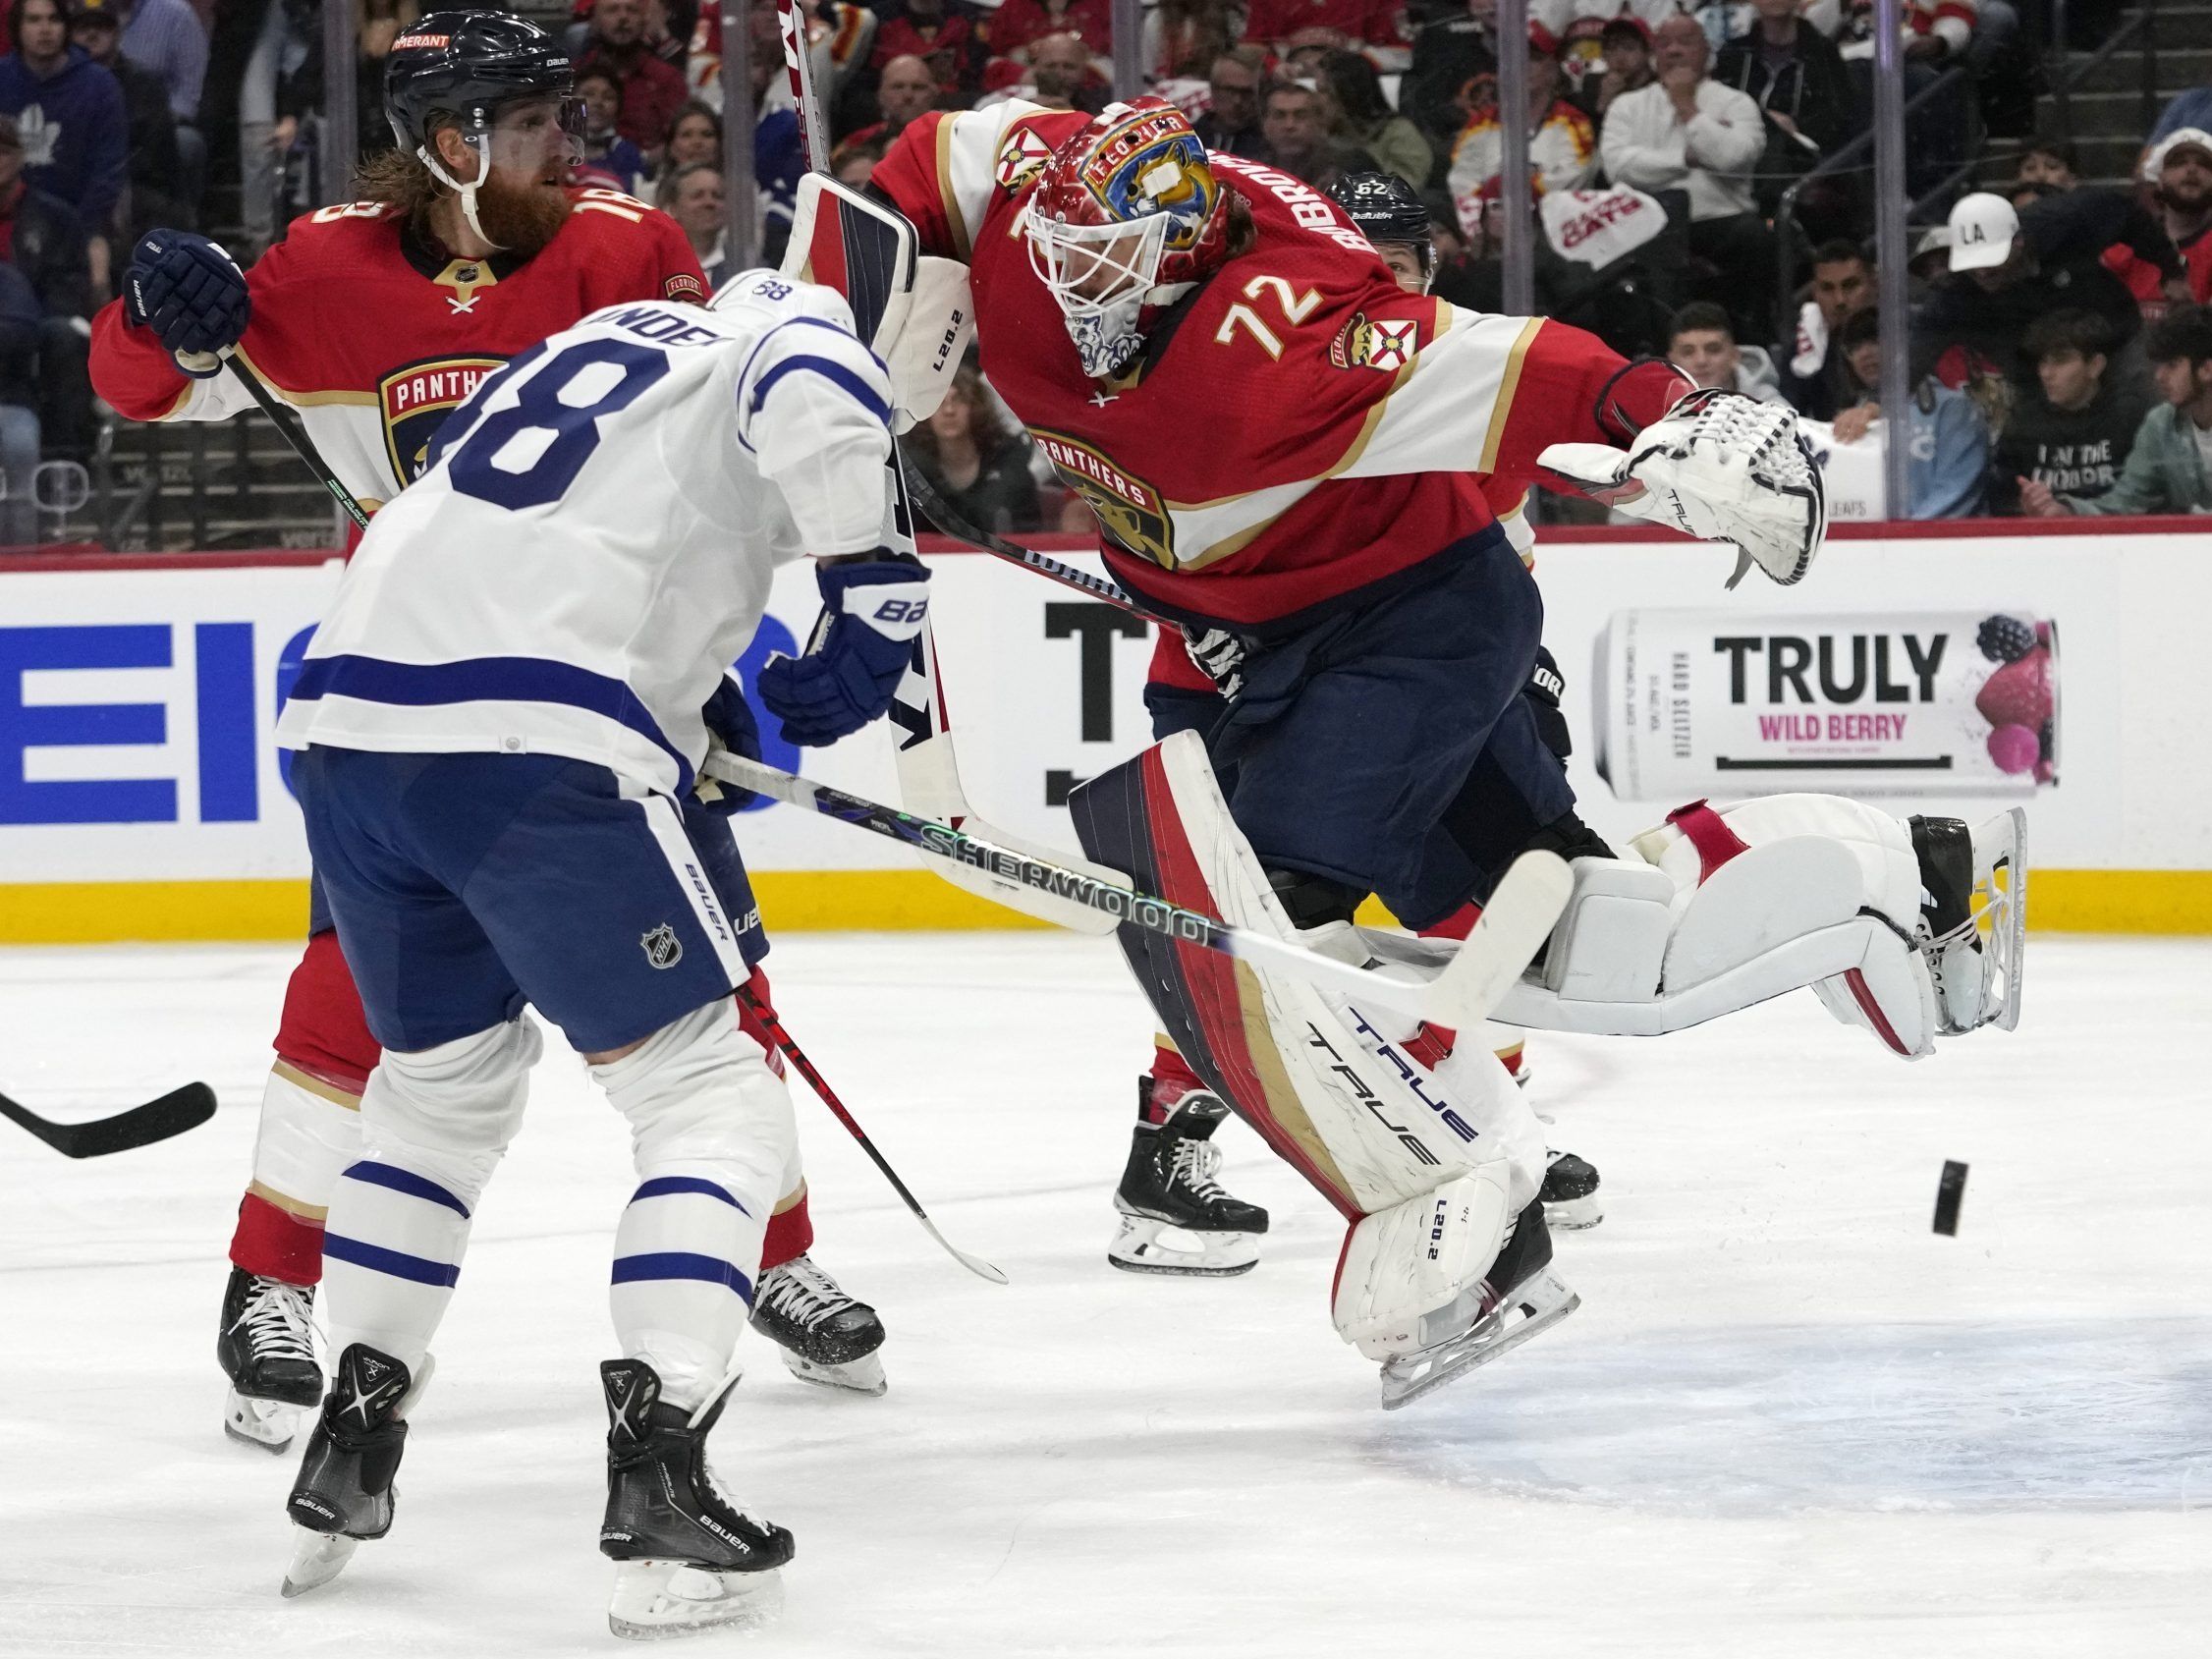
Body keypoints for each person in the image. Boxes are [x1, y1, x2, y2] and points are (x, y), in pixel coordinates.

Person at [866, 97, 1825, 1390]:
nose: (1072, 282)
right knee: (1525, 905)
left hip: (1407, 639)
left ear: (1192, 248)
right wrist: (845, 324)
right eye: (1067, 248)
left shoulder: (1308, 330)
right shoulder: (1049, 222)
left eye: (1107, 258)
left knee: (1261, 942)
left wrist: (1678, 415)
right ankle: (1893, 880)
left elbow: (1533, 364)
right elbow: (934, 152)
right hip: (1267, 644)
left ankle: (1477, 1226)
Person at [87, 9, 890, 1457]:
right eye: (533, 128)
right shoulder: (318, 269)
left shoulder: (627, 247)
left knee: (721, 982)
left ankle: (770, 1253)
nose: (568, 151)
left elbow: (727, 423)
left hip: (611, 672)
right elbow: (129, 392)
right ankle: (268, 1286)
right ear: (446, 141)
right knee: (350, 996)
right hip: (409, 676)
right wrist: (153, 312)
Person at [271, 270, 920, 1635]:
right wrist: (874, 586)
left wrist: (679, 695)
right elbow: (820, 385)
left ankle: (357, 1420)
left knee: (438, 1096)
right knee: (707, 1093)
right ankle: (662, 1466)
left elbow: (517, 530)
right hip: (531, 748)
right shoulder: (775, 326)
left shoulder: (584, 347)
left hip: (352, 736)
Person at [1598, 12, 1772, 339]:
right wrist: (1684, 157)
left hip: (1719, 221)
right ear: (1654, 53)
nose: (1674, 51)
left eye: (1686, 42)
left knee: (1755, 236)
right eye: (1664, 43)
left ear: (1706, 50)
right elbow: (1617, 166)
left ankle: (1751, 343)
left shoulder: (1736, 102)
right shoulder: (1627, 106)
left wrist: (1687, 108)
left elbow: (1734, 157)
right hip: (1649, 224)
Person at [1920, 190, 2185, 394]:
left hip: (2115, 333)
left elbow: (2129, 214)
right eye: (1973, 265)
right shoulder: (1957, 288)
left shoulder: (2065, 219)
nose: (1983, 273)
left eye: (1992, 260)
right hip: (2035, 364)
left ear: (2019, 242)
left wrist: (2170, 268)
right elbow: (1924, 334)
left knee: (2141, 399)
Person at [2020, 305, 2212, 518]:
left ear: (2207, 369)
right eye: (2160, 365)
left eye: (2172, 365)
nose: (2159, 376)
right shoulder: (2160, 423)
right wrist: (2064, 511)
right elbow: (2125, 502)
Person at [0, 0, 127, 291]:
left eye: (54, 20)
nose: (44, 29)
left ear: (66, 27)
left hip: (82, 220)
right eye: (33, 20)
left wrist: (81, 226)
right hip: (9, 214)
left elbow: (108, 172)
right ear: (17, 28)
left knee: (96, 281)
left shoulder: (100, 86)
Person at [1830, 306, 1990, 519]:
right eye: (1855, 346)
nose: (1865, 353)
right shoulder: (1851, 416)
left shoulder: (1953, 408)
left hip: (1940, 545)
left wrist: (1902, 538)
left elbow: (1955, 490)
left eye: (1876, 340)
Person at [0, 108, 93, 465]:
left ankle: (65, 459)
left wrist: (21, 322)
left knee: (63, 335)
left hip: (35, 323)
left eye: (4, 151)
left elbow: (71, 284)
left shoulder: (56, 217)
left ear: (22, 156)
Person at [1991, 308, 2148, 515]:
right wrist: (2025, 507)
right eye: (2043, 361)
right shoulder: (2024, 422)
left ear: (2095, 366)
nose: (2046, 373)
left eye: (2060, 361)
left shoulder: (2130, 416)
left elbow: (2141, 497)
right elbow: (2000, 499)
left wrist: (2069, 511)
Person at [1447, 23, 1595, 234]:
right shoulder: (1479, 125)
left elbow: (1571, 178)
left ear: (1553, 69)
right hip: (1487, 233)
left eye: (1534, 58)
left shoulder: (1573, 122)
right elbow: (1461, 181)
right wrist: (1491, 207)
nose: (1523, 65)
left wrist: (1507, 189)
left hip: (1552, 233)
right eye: (1515, 56)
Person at [69, 0, 185, 241]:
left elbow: (157, 158)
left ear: (117, 32)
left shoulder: (145, 84)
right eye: (83, 28)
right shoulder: (60, 86)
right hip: (74, 188)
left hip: (132, 186)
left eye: (101, 27)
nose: (92, 34)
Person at [904, 359, 1042, 533]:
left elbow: (1027, 530)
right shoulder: (912, 466)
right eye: (939, 402)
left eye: (959, 400)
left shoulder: (1008, 459)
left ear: (976, 406)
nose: (949, 411)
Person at [2104, 128, 2212, 318]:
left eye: (2204, 164)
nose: (2191, 170)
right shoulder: (2125, 245)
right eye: (2179, 163)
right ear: (2159, 179)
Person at [577, 0, 691, 160]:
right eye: (612, 10)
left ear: (644, 20)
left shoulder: (667, 79)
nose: (623, 17)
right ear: (594, 21)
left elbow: (682, 138)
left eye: (632, 10)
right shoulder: (574, 76)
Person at [1780, 237, 1871, 418]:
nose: (1840, 300)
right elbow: (1793, 419)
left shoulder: (1909, 333)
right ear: (1815, 293)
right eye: (1827, 288)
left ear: (1874, 283)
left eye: (1850, 285)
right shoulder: (1802, 349)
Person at [1317, 48, 1432, 191]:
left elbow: (1406, 189)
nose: (1316, 100)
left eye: (1324, 91)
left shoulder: (1398, 133)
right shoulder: (1317, 134)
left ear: (1349, 93)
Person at [1260, 79, 1372, 190]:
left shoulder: (1350, 165)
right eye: (1279, 116)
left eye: (1301, 116)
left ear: (1319, 122)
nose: (1289, 125)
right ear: (1265, 124)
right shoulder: (1254, 169)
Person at [1667, 300, 1786, 404]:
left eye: (1713, 350)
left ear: (1735, 356)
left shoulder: (1777, 412)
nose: (1701, 361)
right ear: (1671, 362)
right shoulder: (1653, 415)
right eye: (1688, 352)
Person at [575, 62, 648, 194]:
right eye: (589, 94)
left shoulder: (627, 153)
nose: (598, 103)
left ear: (619, 108)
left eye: (608, 97)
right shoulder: (552, 147)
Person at [659, 159, 726, 288]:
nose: (709, 202)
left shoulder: (744, 270)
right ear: (673, 209)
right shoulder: (657, 270)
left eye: (717, 196)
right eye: (698, 196)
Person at [1192, 44, 1267, 157]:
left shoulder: (1268, 144)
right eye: (1229, 91)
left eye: (1246, 93)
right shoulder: (1186, 140)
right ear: (1213, 90)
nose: (1238, 101)